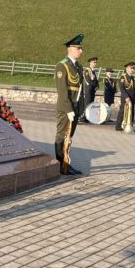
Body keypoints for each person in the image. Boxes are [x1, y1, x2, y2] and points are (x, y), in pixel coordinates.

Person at [54, 34, 85, 175]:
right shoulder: (62, 65)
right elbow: (62, 91)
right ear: (70, 49)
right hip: (66, 108)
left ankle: (66, 163)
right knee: (62, 135)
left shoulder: (78, 66)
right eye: (79, 48)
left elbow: (80, 89)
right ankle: (61, 164)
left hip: (75, 107)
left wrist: (79, 108)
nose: (81, 51)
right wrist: (68, 110)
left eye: (81, 48)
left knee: (69, 137)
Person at [115, 62, 135, 132]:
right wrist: (126, 97)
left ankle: (130, 126)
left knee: (131, 112)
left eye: (133, 68)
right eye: (131, 68)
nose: (132, 69)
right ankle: (118, 126)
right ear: (127, 68)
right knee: (122, 111)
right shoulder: (123, 77)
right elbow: (122, 88)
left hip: (132, 97)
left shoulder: (132, 77)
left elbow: (132, 88)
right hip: (125, 97)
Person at [81, 57, 99, 123]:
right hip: (89, 89)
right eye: (94, 62)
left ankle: (88, 117)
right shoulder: (87, 70)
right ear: (90, 63)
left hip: (93, 90)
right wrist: (93, 86)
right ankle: (83, 117)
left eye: (96, 62)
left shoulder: (94, 71)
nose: (95, 64)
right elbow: (87, 80)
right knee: (87, 103)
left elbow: (96, 80)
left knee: (91, 103)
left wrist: (97, 86)